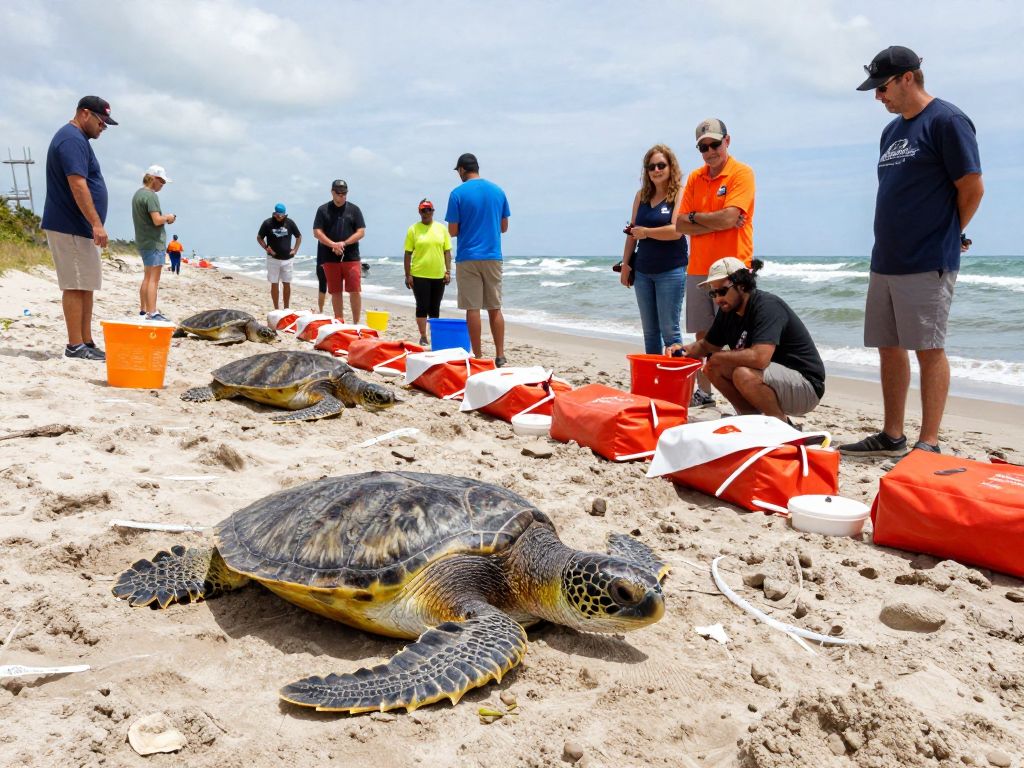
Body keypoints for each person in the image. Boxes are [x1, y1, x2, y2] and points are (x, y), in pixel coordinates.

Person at [840, 46, 983, 457]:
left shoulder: (947, 121)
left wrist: (950, 231)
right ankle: (892, 436)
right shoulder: (891, 132)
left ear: (907, 78)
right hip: (886, 258)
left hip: (927, 258)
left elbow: (971, 188)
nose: (877, 97)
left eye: (882, 87)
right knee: (889, 345)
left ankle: (929, 443)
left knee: (929, 347)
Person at [669, 258, 825, 423]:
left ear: (741, 285)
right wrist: (683, 350)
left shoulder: (767, 306)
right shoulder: (728, 310)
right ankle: (751, 419)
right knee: (712, 368)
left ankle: (782, 425)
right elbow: (707, 345)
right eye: (713, 293)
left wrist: (719, 356)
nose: (717, 300)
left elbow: (759, 358)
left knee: (741, 373)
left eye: (722, 291)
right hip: (772, 380)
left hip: (806, 387)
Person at [674, 118, 755, 408]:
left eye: (714, 144)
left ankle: (743, 397)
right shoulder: (696, 178)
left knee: (739, 338)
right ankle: (705, 394)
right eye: (703, 147)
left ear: (727, 141)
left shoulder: (742, 173)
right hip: (698, 268)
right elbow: (681, 224)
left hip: (733, 268)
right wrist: (712, 220)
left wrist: (699, 219)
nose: (710, 151)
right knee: (702, 335)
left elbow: (732, 217)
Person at [41, 95, 117, 361]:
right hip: (69, 223)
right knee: (75, 284)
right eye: (101, 121)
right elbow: (77, 184)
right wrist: (96, 223)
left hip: (79, 227)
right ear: (85, 114)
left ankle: (86, 341)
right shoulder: (71, 139)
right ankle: (75, 345)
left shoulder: (79, 140)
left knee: (86, 284)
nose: (103, 127)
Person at [620, 144, 687, 354]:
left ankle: (677, 383)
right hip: (643, 272)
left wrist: (647, 232)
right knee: (650, 332)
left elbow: (677, 230)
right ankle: (653, 382)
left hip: (671, 271)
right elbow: (632, 232)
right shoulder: (641, 196)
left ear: (670, 167)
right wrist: (625, 265)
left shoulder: (679, 194)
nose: (656, 170)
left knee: (671, 332)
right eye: (651, 167)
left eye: (661, 165)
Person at [445, 153, 510, 366]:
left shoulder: (457, 194)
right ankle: (500, 355)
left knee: (472, 308)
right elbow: (504, 227)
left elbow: (452, 231)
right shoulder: (498, 191)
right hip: (492, 255)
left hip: (468, 257)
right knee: (494, 307)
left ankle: (479, 356)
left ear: (462, 170)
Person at [312, 179, 365, 322]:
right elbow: (317, 232)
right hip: (329, 256)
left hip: (351, 256)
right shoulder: (323, 210)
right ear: (332, 192)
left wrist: (344, 243)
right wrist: (333, 245)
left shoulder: (354, 209)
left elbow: (361, 231)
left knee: (354, 290)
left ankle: (355, 323)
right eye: (339, 193)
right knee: (335, 291)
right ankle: (339, 319)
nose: (342, 196)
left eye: (344, 193)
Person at [403, 198, 452, 346]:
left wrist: (448, 271)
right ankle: (423, 336)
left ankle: (435, 335)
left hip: (438, 275)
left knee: (435, 307)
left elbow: (447, 252)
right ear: (419, 212)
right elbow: (408, 253)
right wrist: (408, 275)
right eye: (423, 210)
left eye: (428, 210)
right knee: (422, 306)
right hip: (419, 275)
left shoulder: (442, 229)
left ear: (433, 211)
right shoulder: (413, 229)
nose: (426, 213)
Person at [131, 164, 176, 321]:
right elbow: (157, 220)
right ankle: (153, 312)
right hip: (154, 242)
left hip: (143, 241)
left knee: (147, 277)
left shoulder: (138, 194)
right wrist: (168, 218)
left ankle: (143, 310)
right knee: (153, 279)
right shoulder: (151, 196)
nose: (162, 185)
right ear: (154, 179)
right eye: (162, 181)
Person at [257, 202, 302, 310]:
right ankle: (276, 308)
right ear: (274, 213)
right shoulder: (267, 223)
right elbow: (259, 237)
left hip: (288, 259)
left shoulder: (290, 223)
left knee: (287, 283)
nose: (279, 217)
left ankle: (286, 308)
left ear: (285, 214)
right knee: (274, 283)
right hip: (273, 259)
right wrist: (266, 247)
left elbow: (299, 236)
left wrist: (295, 249)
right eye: (277, 215)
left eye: (282, 215)